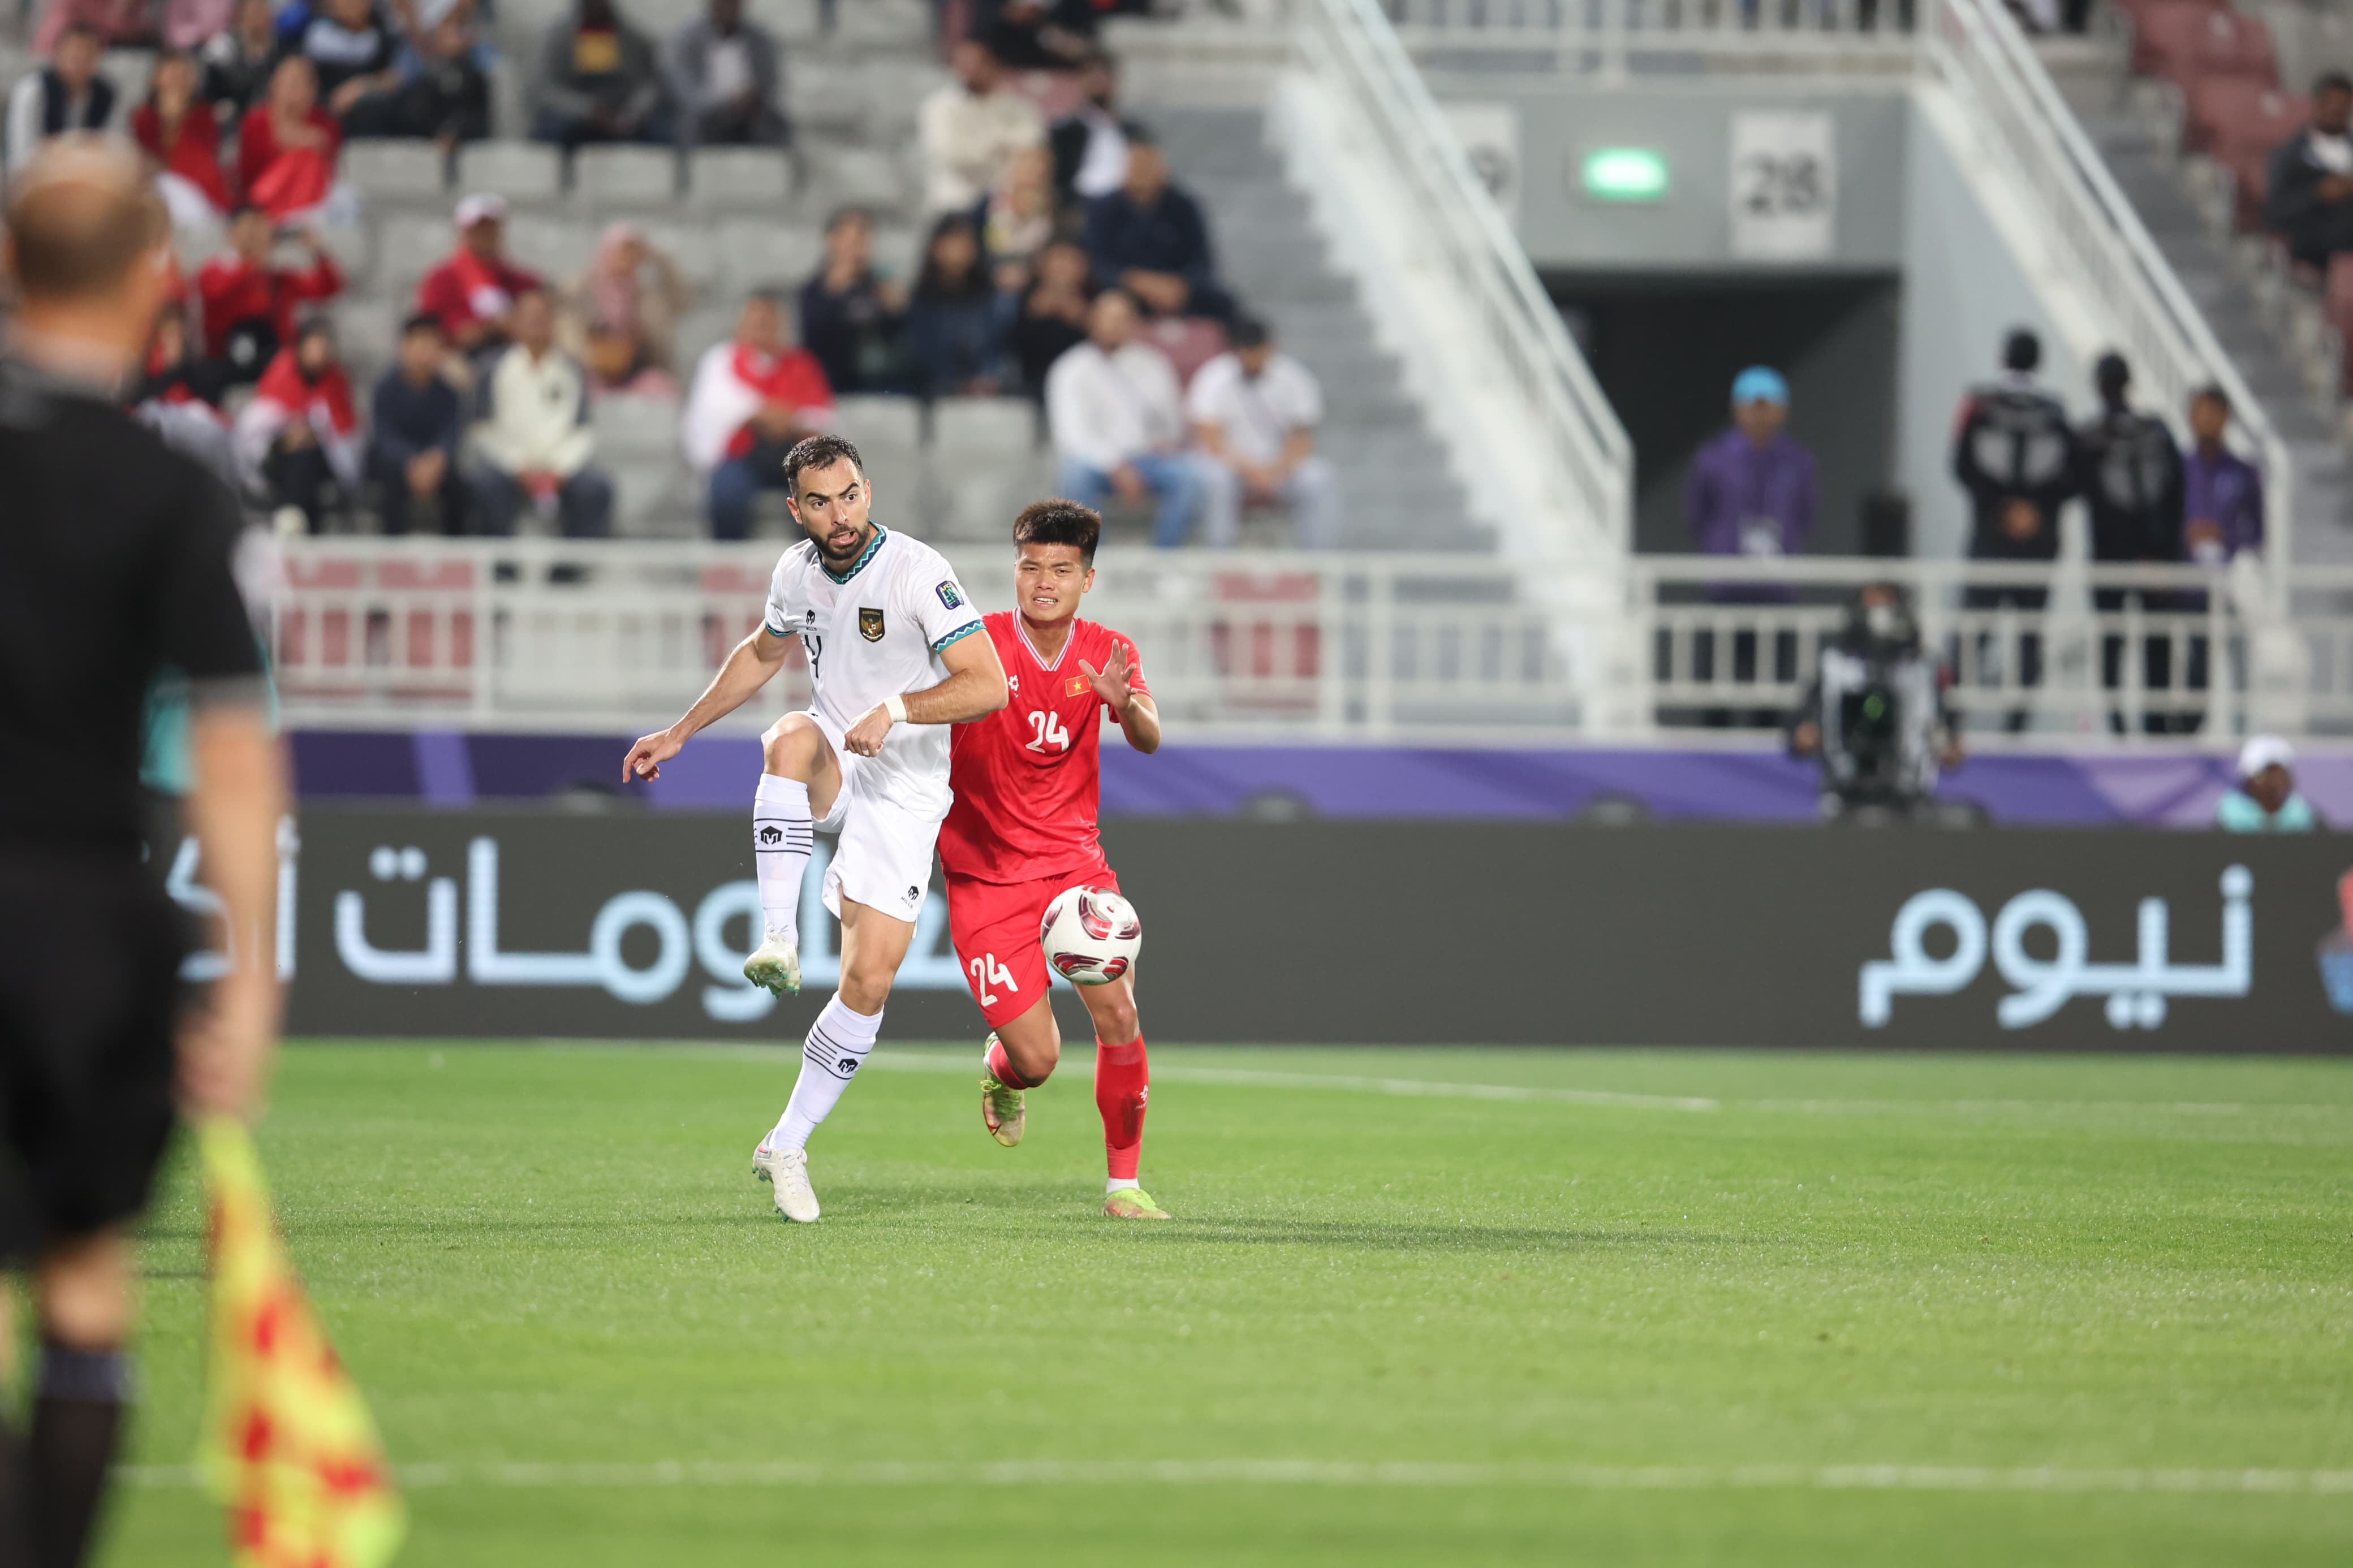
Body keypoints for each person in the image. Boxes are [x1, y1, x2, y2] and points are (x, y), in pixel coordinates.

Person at [0, 138, 285, 1568]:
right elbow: (233, 746)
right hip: (81, 925)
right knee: (82, 1270)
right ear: (153, 289)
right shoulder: (171, 490)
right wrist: (249, 974)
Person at [621, 435, 1010, 1223]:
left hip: (906, 785)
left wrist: (898, 708)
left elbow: (989, 685)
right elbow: (764, 653)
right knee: (788, 738)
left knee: (868, 983)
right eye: (822, 502)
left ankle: (786, 1143)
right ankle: (777, 937)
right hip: (836, 747)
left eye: (851, 495)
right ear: (796, 509)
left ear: (869, 490)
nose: (841, 515)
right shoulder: (795, 572)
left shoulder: (917, 571)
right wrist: (682, 731)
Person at [942, 500, 1170, 1217]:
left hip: (1074, 867)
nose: (1044, 581)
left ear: (1088, 578)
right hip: (984, 873)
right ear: (1015, 569)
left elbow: (1149, 735)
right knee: (1038, 1060)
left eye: (1062, 570)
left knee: (1119, 1015)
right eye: (1031, 566)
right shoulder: (974, 643)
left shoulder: (1108, 649)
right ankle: (1002, 1069)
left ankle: (1122, 1186)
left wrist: (1124, 705)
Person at [1952, 327, 2075, 731]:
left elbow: (1962, 465)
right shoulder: (2056, 411)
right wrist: (2034, 512)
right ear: (2039, 361)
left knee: (1975, 630)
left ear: (2004, 359)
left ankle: (1952, 719)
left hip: (1990, 537)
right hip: (2038, 541)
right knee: (2028, 635)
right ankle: (2016, 726)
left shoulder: (1980, 404)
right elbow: (2070, 476)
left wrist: (2001, 511)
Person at [2074, 351, 2185, 735]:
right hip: (2153, 557)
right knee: (2156, 643)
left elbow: (2075, 488)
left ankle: (2119, 726)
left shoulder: (2091, 437)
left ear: (2099, 387)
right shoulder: (2157, 431)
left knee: (2114, 642)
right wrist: (2165, 554)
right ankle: (2153, 726)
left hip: (2111, 558)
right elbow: (2176, 497)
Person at [1788, 582, 1962, 820]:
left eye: (1886, 605)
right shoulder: (1834, 667)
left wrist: (1947, 743)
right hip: (1844, 792)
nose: (1879, 615)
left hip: (1909, 794)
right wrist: (1805, 735)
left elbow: (1947, 732)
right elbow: (1800, 729)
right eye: (1872, 606)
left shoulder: (1923, 670)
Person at [1046, 288, 1205, 547]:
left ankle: (1167, 559)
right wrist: (1117, 466)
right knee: (1074, 475)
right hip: (1097, 463)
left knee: (1190, 476)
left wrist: (1164, 442)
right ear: (1092, 322)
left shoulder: (1153, 364)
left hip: (1148, 460)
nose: (1113, 326)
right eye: (1107, 318)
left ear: (1134, 324)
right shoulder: (1071, 369)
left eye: (1122, 319)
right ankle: (1095, 562)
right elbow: (1072, 436)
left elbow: (1172, 423)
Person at [682, 292, 835, 540]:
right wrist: (762, 414)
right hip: (741, 454)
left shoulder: (802, 364)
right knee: (727, 495)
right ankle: (728, 568)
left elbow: (821, 416)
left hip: (792, 453)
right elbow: (712, 411)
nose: (763, 330)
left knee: (819, 496)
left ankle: (816, 572)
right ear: (742, 325)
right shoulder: (721, 361)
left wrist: (783, 419)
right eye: (756, 322)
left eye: (769, 323)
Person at [467, 287, 615, 537]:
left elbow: (583, 429)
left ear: (553, 323)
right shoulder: (491, 370)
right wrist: (519, 467)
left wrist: (558, 469)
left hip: (560, 466)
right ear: (514, 322)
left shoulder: (572, 370)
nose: (535, 323)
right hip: (509, 464)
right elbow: (482, 429)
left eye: (542, 316)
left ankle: (570, 572)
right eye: (528, 317)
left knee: (596, 488)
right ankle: (502, 570)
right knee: (486, 485)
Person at [1187, 316, 1336, 549]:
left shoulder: (1295, 378)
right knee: (1217, 480)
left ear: (1270, 349)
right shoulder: (1214, 378)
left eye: (1258, 352)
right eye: (1247, 353)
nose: (1253, 359)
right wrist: (1252, 471)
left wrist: (1277, 470)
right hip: (1232, 465)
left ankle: (1316, 563)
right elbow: (1211, 440)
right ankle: (1219, 558)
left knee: (1318, 477)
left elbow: (1302, 438)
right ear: (1235, 351)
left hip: (1279, 467)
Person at [1081, 136, 1232, 321]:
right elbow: (1097, 261)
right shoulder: (1102, 208)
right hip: (1124, 288)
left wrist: (1180, 285)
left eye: (1148, 165)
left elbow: (1202, 260)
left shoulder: (1184, 206)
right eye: (1137, 165)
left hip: (1177, 290)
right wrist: (1139, 282)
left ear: (1163, 168)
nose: (1142, 172)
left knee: (1224, 304)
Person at [234, 317, 363, 532]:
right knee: (296, 457)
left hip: (321, 459)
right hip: (279, 457)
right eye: (314, 346)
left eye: (325, 346)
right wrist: (284, 439)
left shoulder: (336, 382)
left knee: (306, 457)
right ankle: (293, 525)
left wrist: (315, 433)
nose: (319, 353)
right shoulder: (280, 375)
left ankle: (298, 527)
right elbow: (256, 429)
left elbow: (346, 436)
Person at [195, 205, 345, 383]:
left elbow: (327, 287)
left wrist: (317, 251)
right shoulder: (214, 272)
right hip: (229, 367)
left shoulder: (275, 279)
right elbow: (216, 295)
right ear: (233, 233)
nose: (259, 237)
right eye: (251, 230)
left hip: (276, 371)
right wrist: (251, 260)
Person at [917, 38, 1043, 218]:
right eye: (964, 64)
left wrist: (992, 147)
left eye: (978, 63)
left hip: (1005, 205)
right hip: (956, 203)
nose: (970, 71)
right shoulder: (939, 106)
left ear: (993, 65)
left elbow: (1032, 146)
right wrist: (1001, 147)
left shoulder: (1017, 107)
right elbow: (951, 155)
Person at [560, 219, 691, 391]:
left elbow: (683, 300)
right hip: (591, 372)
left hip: (636, 373)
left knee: (660, 387)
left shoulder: (646, 295)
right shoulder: (580, 290)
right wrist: (598, 358)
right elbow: (568, 334)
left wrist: (659, 258)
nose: (627, 258)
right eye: (622, 251)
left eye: (632, 252)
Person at [368, 312, 469, 534]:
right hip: (399, 461)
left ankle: (456, 552)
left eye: (431, 344)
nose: (424, 352)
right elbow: (384, 435)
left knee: (459, 483)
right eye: (418, 344)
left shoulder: (448, 390)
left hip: (436, 462)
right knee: (390, 479)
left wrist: (437, 458)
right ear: (404, 347)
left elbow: (451, 431)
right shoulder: (386, 387)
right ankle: (392, 553)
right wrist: (410, 460)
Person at [416, 192, 544, 353]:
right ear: (463, 233)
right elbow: (427, 331)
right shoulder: (441, 280)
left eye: (490, 228)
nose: (485, 235)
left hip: (512, 358)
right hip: (456, 357)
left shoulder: (522, 281)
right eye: (478, 229)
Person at [531, 0, 668, 150]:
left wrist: (634, 112)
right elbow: (545, 88)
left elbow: (651, 83)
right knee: (552, 132)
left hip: (624, 113)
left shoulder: (632, 36)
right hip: (576, 115)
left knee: (661, 132)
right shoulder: (559, 37)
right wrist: (587, 110)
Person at [798, 205, 906, 394]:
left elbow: (898, 336)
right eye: (850, 238)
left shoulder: (879, 285)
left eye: (863, 237)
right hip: (829, 385)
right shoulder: (813, 291)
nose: (857, 245)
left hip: (878, 384)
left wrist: (895, 308)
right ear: (832, 241)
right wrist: (838, 288)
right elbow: (814, 339)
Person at [903, 213, 1009, 398]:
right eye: (952, 242)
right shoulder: (921, 300)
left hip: (986, 394)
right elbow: (924, 355)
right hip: (936, 394)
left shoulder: (992, 299)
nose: (960, 250)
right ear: (935, 248)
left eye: (966, 243)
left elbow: (996, 352)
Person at [359, 1, 493, 145]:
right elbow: (396, 84)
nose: (454, 33)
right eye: (447, 24)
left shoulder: (478, 61)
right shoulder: (413, 60)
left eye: (460, 25)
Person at [130, 48, 231, 227]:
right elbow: (147, 159)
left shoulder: (204, 115)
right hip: (156, 185)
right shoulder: (143, 117)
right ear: (156, 78)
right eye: (172, 73)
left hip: (197, 186)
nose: (178, 80)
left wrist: (177, 120)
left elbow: (204, 156)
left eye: (183, 74)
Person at [236, 57, 343, 224]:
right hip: (259, 204)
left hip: (309, 207)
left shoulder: (324, 123)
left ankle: (291, 218)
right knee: (305, 156)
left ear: (312, 91)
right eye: (287, 82)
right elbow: (248, 173)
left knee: (309, 160)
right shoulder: (255, 122)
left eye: (299, 83)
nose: (292, 89)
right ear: (273, 85)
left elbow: (331, 169)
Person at [2265, 72, 2353, 274]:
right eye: (2328, 102)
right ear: (2315, 104)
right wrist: (2318, 194)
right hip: (2315, 245)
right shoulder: (2289, 155)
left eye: (2343, 104)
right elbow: (2275, 210)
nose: (2335, 109)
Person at [666, 0, 786, 148]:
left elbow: (770, 83)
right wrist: (724, 102)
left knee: (775, 124)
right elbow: (686, 90)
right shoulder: (688, 39)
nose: (728, 8)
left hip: (750, 116)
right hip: (707, 117)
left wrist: (751, 99)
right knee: (692, 123)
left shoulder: (760, 40)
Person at [5, 23, 116, 177]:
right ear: (57, 55)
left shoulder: (106, 94)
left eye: (87, 56)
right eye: (73, 55)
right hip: (38, 180)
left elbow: (113, 147)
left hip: (85, 180)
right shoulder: (33, 90)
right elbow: (22, 157)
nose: (79, 64)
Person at [1049, 49, 1140, 205]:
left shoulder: (1134, 132)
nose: (1098, 80)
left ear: (1115, 80)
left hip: (1125, 204)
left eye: (1104, 73)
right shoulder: (1065, 133)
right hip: (1081, 204)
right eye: (1091, 74)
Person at [295, 0, 404, 124]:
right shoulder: (316, 36)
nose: (350, 4)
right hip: (322, 116)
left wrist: (359, 88)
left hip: (369, 118)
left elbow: (394, 79)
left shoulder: (382, 39)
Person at [1011, 237, 1091, 398]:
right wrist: (1033, 316)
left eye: (1070, 260)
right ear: (1041, 266)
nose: (1062, 268)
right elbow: (1012, 350)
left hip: (1085, 386)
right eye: (1057, 259)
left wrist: (1086, 321)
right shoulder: (1021, 298)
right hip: (1032, 384)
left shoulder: (1096, 301)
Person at [200, 0, 282, 129]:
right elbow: (210, 94)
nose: (259, 17)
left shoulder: (280, 50)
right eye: (254, 11)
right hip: (231, 119)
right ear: (241, 16)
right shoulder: (221, 48)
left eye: (263, 10)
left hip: (269, 117)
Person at [2215, 735, 2317, 831]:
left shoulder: (2301, 814)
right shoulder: (2230, 816)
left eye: (2280, 773)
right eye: (2264, 774)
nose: (2275, 782)